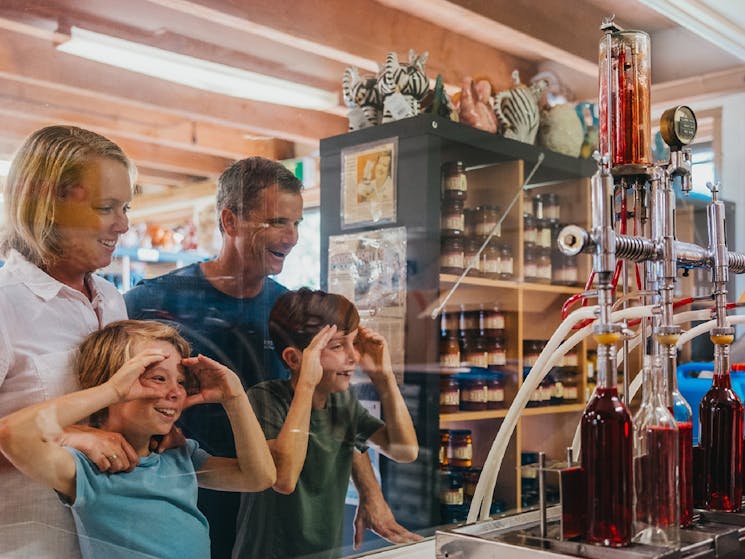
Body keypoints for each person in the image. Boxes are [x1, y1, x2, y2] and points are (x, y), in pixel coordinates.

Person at [125, 156, 421, 558]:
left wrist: (371, 494)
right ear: (230, 222)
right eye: (277, 221)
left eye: (297, 222)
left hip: (274, 512)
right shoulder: (152, 301)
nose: (293, 235)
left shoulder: (293, 313)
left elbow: (330, 412)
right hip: (185, 501)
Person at [0, 319, 276, 559]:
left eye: (181, 381)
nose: (175, 392)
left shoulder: (178, 455)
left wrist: (235, 397)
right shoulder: (91, 469)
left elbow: (258, 477)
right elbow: (13, 435)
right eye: (158, 378)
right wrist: (111, 390)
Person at [0, 125, 145, 557]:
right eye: (107, 208)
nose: (123, 224)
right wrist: (64, 437)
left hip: (116, 542)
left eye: (126, 207)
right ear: (49, 204)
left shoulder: (112, 299)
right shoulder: (7, 304)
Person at [233, 288, 418, 559]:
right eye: (337, 346)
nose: (353, 356)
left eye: (354, 343)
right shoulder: (265, 399)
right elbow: (283, 478)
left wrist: (384, 378)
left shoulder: (342, 402)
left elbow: (405, 450)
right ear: (294, 359)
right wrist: (306, 384)